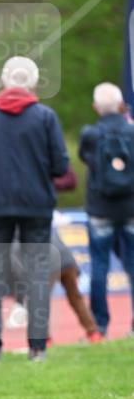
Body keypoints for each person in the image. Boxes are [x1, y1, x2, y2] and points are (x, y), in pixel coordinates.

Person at [0, 56, 69, 362]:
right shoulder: (46, 116)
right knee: (37, 274)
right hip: (36, 205)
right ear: (33, 83)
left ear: (3, 81)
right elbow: (61, 165)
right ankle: (37, 347)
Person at [78, 82, 134, 337]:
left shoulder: (90, 134)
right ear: (122, 105)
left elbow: (85, 158)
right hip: (131, 207)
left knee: (99, 267)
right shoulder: (132, 131)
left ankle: (100, 325)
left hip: (100, 208)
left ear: (95, 107)